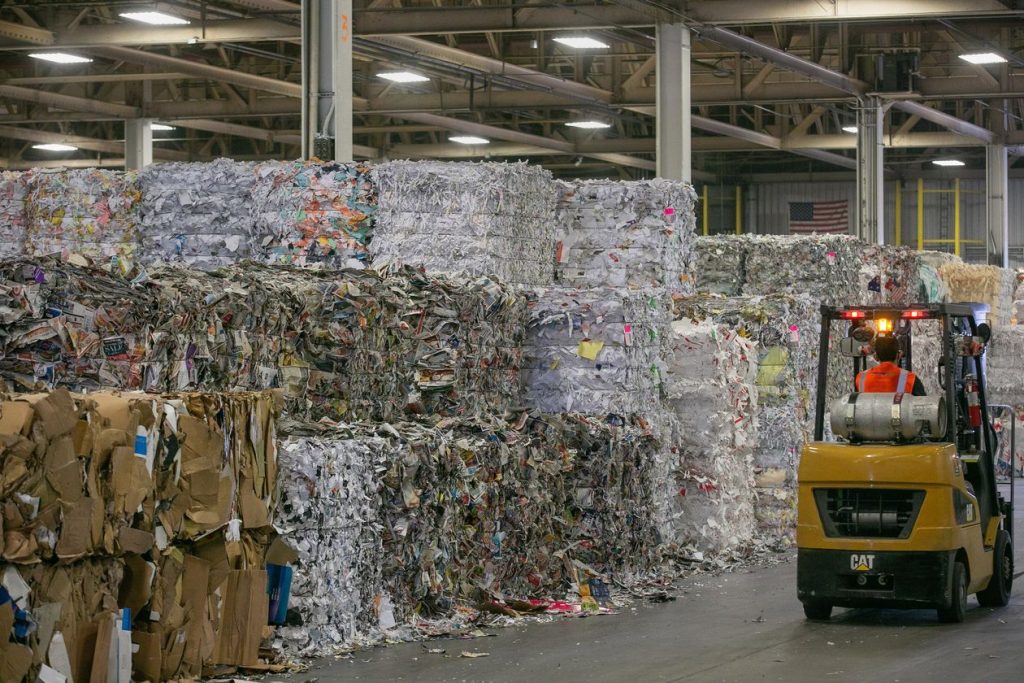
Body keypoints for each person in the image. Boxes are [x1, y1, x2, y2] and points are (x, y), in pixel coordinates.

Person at [855, 335, 926, 396]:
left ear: (876, 357)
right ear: (898, 355)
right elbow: (922, 407)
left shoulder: (860, 378)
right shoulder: (910, 379)